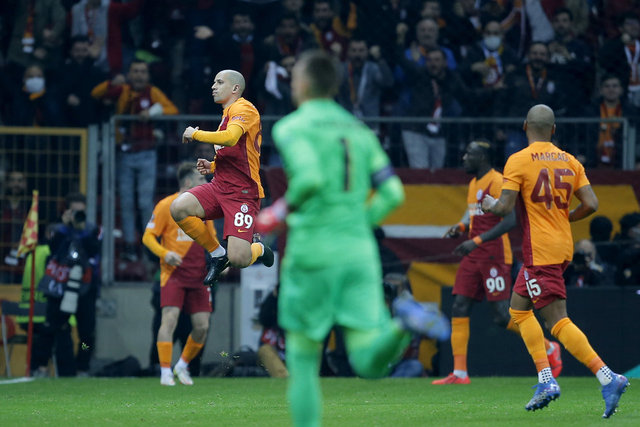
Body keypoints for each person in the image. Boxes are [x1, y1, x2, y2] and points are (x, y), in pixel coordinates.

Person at [254, 50, 450, 427]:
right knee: (368, 361)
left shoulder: (291, 127)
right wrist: (359, 223)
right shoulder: (360, 131)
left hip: (311, 253)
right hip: (358, 252)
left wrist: (276, 213)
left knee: (304, 359)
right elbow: (393, 192)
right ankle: (402, 324)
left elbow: (309, 178)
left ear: (303, 84)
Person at [481, 104, 629, 417]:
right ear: (554, 129)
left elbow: (504, 207)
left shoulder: (518, 160)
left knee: (558, 321)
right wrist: (565, 217)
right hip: (561, 246)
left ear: (525, 126)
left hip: (540, 250)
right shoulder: (570, 160)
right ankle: (545, 378)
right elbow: (591, 204)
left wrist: (489, 204)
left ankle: (608, 377)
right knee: (518, 310)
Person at [432, 140, 562, 385]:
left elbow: (510, 220)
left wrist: (476, 240)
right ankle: (459, 373)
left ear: (482, 158)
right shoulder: (474, 183)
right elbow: (473, 213)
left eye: (469, 154)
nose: (464, 158)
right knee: (459, 306)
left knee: (502, 316)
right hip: (474, 254)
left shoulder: (497, 181)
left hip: (494, 255)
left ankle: (548, 347)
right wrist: (461, 227)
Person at [171, 69, 274, 287]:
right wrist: (213, 166)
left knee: (239, 259)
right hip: (219, 186)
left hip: (242, 194)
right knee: (178, 208)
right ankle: (218, 254)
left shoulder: (244, 108)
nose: (213, 86)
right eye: (214, 82)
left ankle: (259, 248)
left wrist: (195, 133)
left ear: (235, 88)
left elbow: (230, 138)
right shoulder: (228, 113)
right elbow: (239, 153)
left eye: (219, 82)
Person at [91, 60, 178, 262]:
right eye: (135, 71)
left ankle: (150, 243)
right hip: (125, 153)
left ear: (148, 75)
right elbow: (96, 94)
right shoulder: (123, 90)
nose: (139, 75)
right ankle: (130, 245)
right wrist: (112, 83)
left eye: (142, 72)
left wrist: (153, 112)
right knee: (127, 202)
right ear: (129, 74)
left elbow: (172, 109)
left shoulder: (152, 92)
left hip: (147, 153)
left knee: (145, 202)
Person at [142, 162, 214, 386]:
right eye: (201, 179)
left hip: (199, 275)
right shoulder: (166, 205)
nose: (205, 183)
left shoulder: (204, 208)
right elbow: (147, 237)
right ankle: (165, 372)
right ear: (188, 182)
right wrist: (165, 253)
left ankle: (181, 365)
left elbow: (211, 239)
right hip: (173, 274)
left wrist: (223, 259)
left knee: (202, 326)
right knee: (169, 320)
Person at [32, 193, 101, 377]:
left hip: (84, 288)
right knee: (50, 329)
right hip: (59, 286)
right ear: (66, 210)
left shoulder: (92, 229)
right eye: (73, 211)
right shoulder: (57, 229)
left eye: (80, 211)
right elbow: (53, 248)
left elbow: (94, 250)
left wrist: (81, 230)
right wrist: (65, 227)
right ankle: (42, 366)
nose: (77, 215)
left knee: (86, 334)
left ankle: (82, 367)